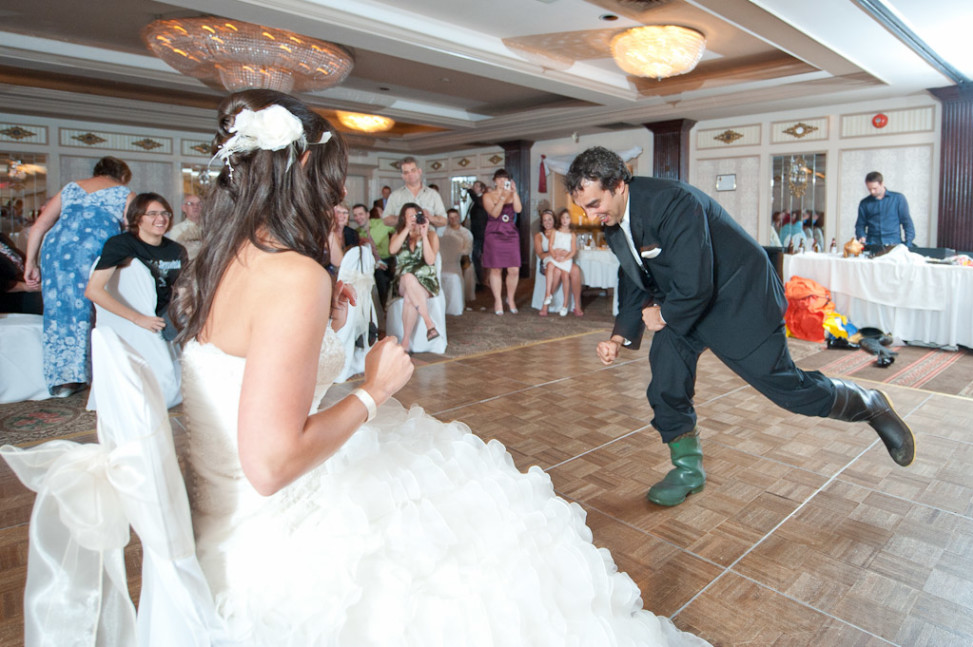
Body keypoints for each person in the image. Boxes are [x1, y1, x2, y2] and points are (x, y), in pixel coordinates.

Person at [172, 90, 708, 646]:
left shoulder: (217, 258)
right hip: (283, 537)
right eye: (335, 177)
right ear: (304, 165)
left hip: (219, 524)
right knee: (476, 537)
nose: (336, 193)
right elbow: (271, 464)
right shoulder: (292, 275)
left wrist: (322, 325)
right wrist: (373, 391)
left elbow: (252, 372)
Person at [566, 146, 914, 508]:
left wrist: (664, 316)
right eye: (585, 208)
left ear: (619, 185)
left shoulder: (673, 203)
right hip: (685, 304)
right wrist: (619, 335)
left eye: (594, 204)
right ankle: (687, 470)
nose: (592, 216)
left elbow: (696, 282)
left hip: (739, 299)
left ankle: (870, 404)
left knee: (787, 389)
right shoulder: (615, 218)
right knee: (666, 380)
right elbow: (633, 271)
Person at [23, 156, 134, 397]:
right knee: (93, 309)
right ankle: (91, 373)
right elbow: (133, 229)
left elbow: (40, 225)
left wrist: (30, 262)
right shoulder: (124, 193)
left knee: (58, 311)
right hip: (92, 249)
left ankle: (63, 379)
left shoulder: (71, 187)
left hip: (56, 251)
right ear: (123, 175)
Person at [85, 193, 187, 341]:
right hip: (137, 314)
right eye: (152, 214)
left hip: (167, 312)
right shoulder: (121, 244)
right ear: (137, 218)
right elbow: (93, 291)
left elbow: (183, 291)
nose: (161, 219)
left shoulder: (177, 250)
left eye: (165, 213)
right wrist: (138, 318)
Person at [388, 202, 440, 352]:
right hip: (403, 281)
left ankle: (405, 342)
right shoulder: (399, 234)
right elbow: (392, 250)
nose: (412, 218)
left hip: (426, 281)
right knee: (408, 277)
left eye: (415, 215)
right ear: (403, 218)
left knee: (410, 299)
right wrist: (407, 229)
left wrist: (423, 235)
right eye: (408, 216)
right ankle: (429, 323)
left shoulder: (431, 235)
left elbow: (430, 261)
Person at [482, 169, 522, 315]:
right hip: (494, 233)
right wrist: (502, 198)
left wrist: (514, 192)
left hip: (510, 233)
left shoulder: (511, 194)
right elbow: (494, 213)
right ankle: (498, 300)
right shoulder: (487, 196)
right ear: (494, 180)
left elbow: (518, 209)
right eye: (499, 178)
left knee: (514, 269)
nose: (502, 181)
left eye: (505, 178)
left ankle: (510, 299)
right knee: (496, 269)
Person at [855, 171, 915, 252]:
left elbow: (907, 223)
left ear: (882, 184)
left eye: (874, 188)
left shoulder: (898, 199)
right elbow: (860, 225)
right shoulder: (864, 203)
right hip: (872, 245)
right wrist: (861, 236)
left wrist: (908, 244)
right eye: (869, 189)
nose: (872, 191)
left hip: (894, 244)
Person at [382, 157, 447, 229]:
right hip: (403, 238)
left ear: (419, 171)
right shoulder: (395, 195)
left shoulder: (433, 194)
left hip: (428, 237)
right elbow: (386, 220)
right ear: (402, 176)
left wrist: (430, 217)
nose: (410, 174)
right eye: (406, 172)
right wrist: (403, 217)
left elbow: (444, 221)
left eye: (413, 170)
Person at [541, 208, 581, 317]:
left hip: (565, 260)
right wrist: (555, 255)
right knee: (550, 265)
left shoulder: (572, 234)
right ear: (560, 219)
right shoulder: (555, 231)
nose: (564, 220)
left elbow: (573, 250)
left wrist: (565, 257)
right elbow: (550, 246)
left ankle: (565, 304)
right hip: (554, 257)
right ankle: (548, 295)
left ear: (570, 220)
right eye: (563, 218)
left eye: (567, 218)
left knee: (565, 275)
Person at [0, 232, 42, 314]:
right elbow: (3, 283)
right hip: (11, 299)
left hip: (27, 286)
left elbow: (21, 262)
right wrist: (28, 287)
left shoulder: (2, 238)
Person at [167, 193, 203, 260]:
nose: (195, 206)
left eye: (199, 204)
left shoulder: (210, 228)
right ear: (183, 208)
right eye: (190, 204)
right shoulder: (176, 230)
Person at [466, 180, 489, 285]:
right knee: (476, 257)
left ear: (482, 189)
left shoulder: (483, 199)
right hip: (475, 232)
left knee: (482, 256)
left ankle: (483, 280)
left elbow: (478, 202)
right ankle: (480, 279)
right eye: (474, 186)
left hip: (482, 233)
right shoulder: (475, 200)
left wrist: (470, 190)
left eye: (476, 186)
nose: (474, 187)